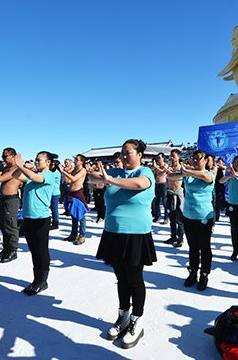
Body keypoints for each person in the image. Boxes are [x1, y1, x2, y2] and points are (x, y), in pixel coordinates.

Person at [91, 139, 156, 349]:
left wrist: (110, 179)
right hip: (113, 232)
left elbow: (139, 184)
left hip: (136, 233)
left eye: (128, 153)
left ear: (139, 155)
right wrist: (102, 177)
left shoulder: (145, 171)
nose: (124, 156)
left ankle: (137, 320)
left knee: (135, 278)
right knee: (121, 278)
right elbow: (93, 178)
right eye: (122, 153)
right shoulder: (116, 172)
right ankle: (123, 316)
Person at [168, 150, 215, 290]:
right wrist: (184, 173)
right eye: (193, 158)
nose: (195, 161)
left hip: (204, 216)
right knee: (193, 246)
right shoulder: (188, 175)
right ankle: (192, 272)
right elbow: (171, 176)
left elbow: (205, 177)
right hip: (188, 215)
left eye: (198, 158)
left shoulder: (210, 173)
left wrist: (189, 172)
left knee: (204, 246)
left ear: (206, 160)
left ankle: (204, 274)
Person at [13, 152, 58, 295]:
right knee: (33, 250)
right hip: (28, 217)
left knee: (41, 250)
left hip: (41, 218)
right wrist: (18, 166)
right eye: (35, 160)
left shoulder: (49, 175)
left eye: (39, 160)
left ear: (48, 162)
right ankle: (36, 279)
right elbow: (15, 176)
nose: (36, 163)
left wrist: (22, 166)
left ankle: (42, 281)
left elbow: (32, 176)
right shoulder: (33, 175)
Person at [59, 155, 88, 245]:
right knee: (73, 215)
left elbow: (74, 179)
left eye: (76, 159)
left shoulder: (83, 170)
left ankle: (82, 235)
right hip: (71, 193)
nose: (74, 161)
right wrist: (65, 172)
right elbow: (67, 180)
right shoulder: (74, 170)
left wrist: (63, 171)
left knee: (81, 216)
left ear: (81, 162)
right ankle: (74, 233)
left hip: (78, 194)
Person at [165, 149, 185, 247]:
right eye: (170, 156)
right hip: (170, 192)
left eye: (173, 156)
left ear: (178, 157)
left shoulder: (182, 167)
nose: (171, 158)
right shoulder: (169, 167)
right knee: (172, 217)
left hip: (178, 192)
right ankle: (173, 236)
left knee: (179, 217)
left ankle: (180, 238)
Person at [151, 153, 169, 224]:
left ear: (163, 158)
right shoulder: (157, 166)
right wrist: (154, 166)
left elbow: (163, 171)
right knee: (157, 201)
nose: (158, 159)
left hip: (163, 184)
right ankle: (157, 215)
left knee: (164, 202)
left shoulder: (165, 165)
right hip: (157, 184)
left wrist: (156, 167)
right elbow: (151, 169)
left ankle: (166, 217)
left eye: (159, 157)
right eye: (157, 157)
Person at [50, 160, 62, 229]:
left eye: (53, 165)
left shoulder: (56, 173)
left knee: (54, 208)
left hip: (55, 193)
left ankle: (55, 223)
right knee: (52, 208)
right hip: (52, 193)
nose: (52, 166)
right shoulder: (53, 173)